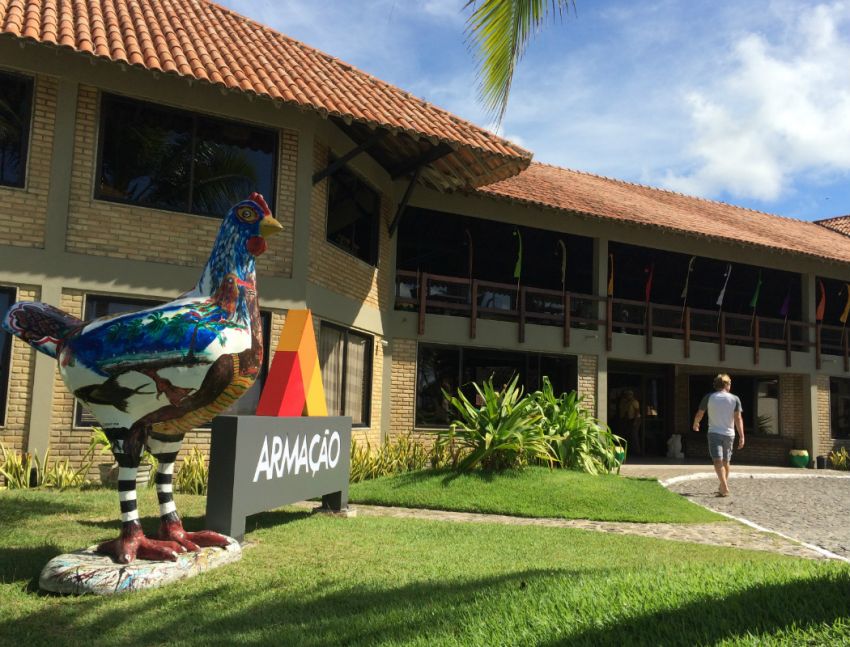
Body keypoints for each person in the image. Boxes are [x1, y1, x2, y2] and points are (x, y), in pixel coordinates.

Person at [692, 374, 745, 497]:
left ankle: (724, 487)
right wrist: (742, 436)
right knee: (726, 461)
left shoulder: (709, 397)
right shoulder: (735, 399)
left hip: (714, 433)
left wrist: (696, 423)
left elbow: (700, 413)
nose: (730, 385)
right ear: (726, 384)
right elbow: (738, 419)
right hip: (729, 434)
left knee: (717, 460)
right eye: (730, 383)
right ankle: (723, 487)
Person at [618, 389, 642, 456]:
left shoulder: (634, 401)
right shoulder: (625, 402)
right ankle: (629, 450)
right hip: (628, 420)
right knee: (628, 435)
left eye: (628, 395)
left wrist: (635, 422)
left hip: (635, 420)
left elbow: (637, 412)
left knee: (634, 435)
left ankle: (637, 452)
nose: (627, 396)